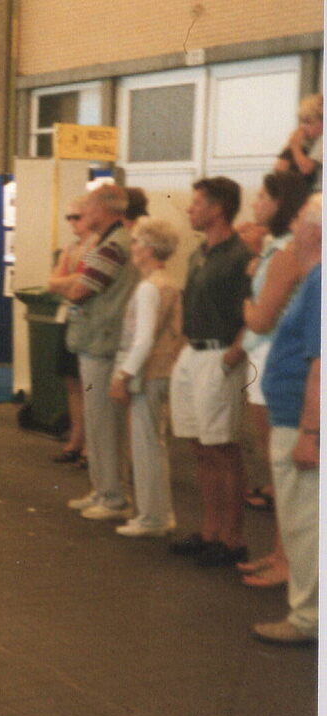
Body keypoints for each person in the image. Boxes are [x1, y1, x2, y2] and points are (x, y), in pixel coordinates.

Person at [168, 177, 252, 567]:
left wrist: (233, 355)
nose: (190, 209)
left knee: (223, 449)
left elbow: (251, 309)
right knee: (200, 448)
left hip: (220, 354)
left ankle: (232, 539)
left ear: (217, 209)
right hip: (194, 352)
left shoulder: (240, 256)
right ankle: (210, 531)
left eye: (197, 203)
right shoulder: (198, 254)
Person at [237, 171, 311, 587]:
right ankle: (280, 553)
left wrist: (246, 304)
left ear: (282, 203)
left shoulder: (285, 253)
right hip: (262, 358)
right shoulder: (275, 249)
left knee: (282, 469)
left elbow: (261, 318)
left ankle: (287, 560)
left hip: (272, 359)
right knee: (275, 468)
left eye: (263, 197)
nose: (256, 204)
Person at [251, 195, 320, 646]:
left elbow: (320, 363)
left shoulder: (320, 281)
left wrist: (310, 432)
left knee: (305, 524)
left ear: (314, 230)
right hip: (297, 416)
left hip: (301, 420)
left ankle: (308, 618)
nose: (291, 227)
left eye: (297, 220)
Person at [60, 184, 139, 520]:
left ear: (104, 209)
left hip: (101, 343)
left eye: (89, 206)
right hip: (96, 340)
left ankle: (112, 496)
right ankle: (102, 488)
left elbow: (79, 289)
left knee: (103, 422)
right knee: (97, 420)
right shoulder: (107, 242)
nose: (84, 213)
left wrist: (62, 286)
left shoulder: (112, 245)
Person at [108, 218, 184, 537]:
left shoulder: (149, 287)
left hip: (149, 372)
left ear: (150, 249)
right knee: (154, 443)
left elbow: (142, 340)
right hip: (163, 369)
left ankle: (152, 517)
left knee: (146, 445)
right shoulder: (167, 282)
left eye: (138, 241)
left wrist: (122, 375)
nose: (133, 246)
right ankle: (158, 513)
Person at [46, 196, 97, 468]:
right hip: (70, 316)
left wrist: (65, 281)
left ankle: (90, 446)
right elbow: (53, 282)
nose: (72, 223)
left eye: (77, 217)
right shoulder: (71, 247)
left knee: (87, 383)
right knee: (72, 382)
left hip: (88, 320)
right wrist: (68, 281)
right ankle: (76, 441)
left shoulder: (97, 246)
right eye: (69, 217)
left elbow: (82, 281)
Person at [274, 93, 322, 192]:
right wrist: (291, 145)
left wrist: (295, 146)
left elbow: (306, 168)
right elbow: (278, 169)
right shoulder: (312, 142)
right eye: (301, 122)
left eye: (308, 122)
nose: (302, 126)